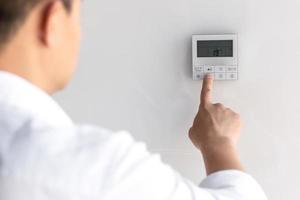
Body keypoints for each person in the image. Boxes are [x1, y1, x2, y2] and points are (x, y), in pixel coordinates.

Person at [0, 0, 268, 199]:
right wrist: (219, 145)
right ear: (53, 20)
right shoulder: (92, 169)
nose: (79, 35)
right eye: (78, 20)